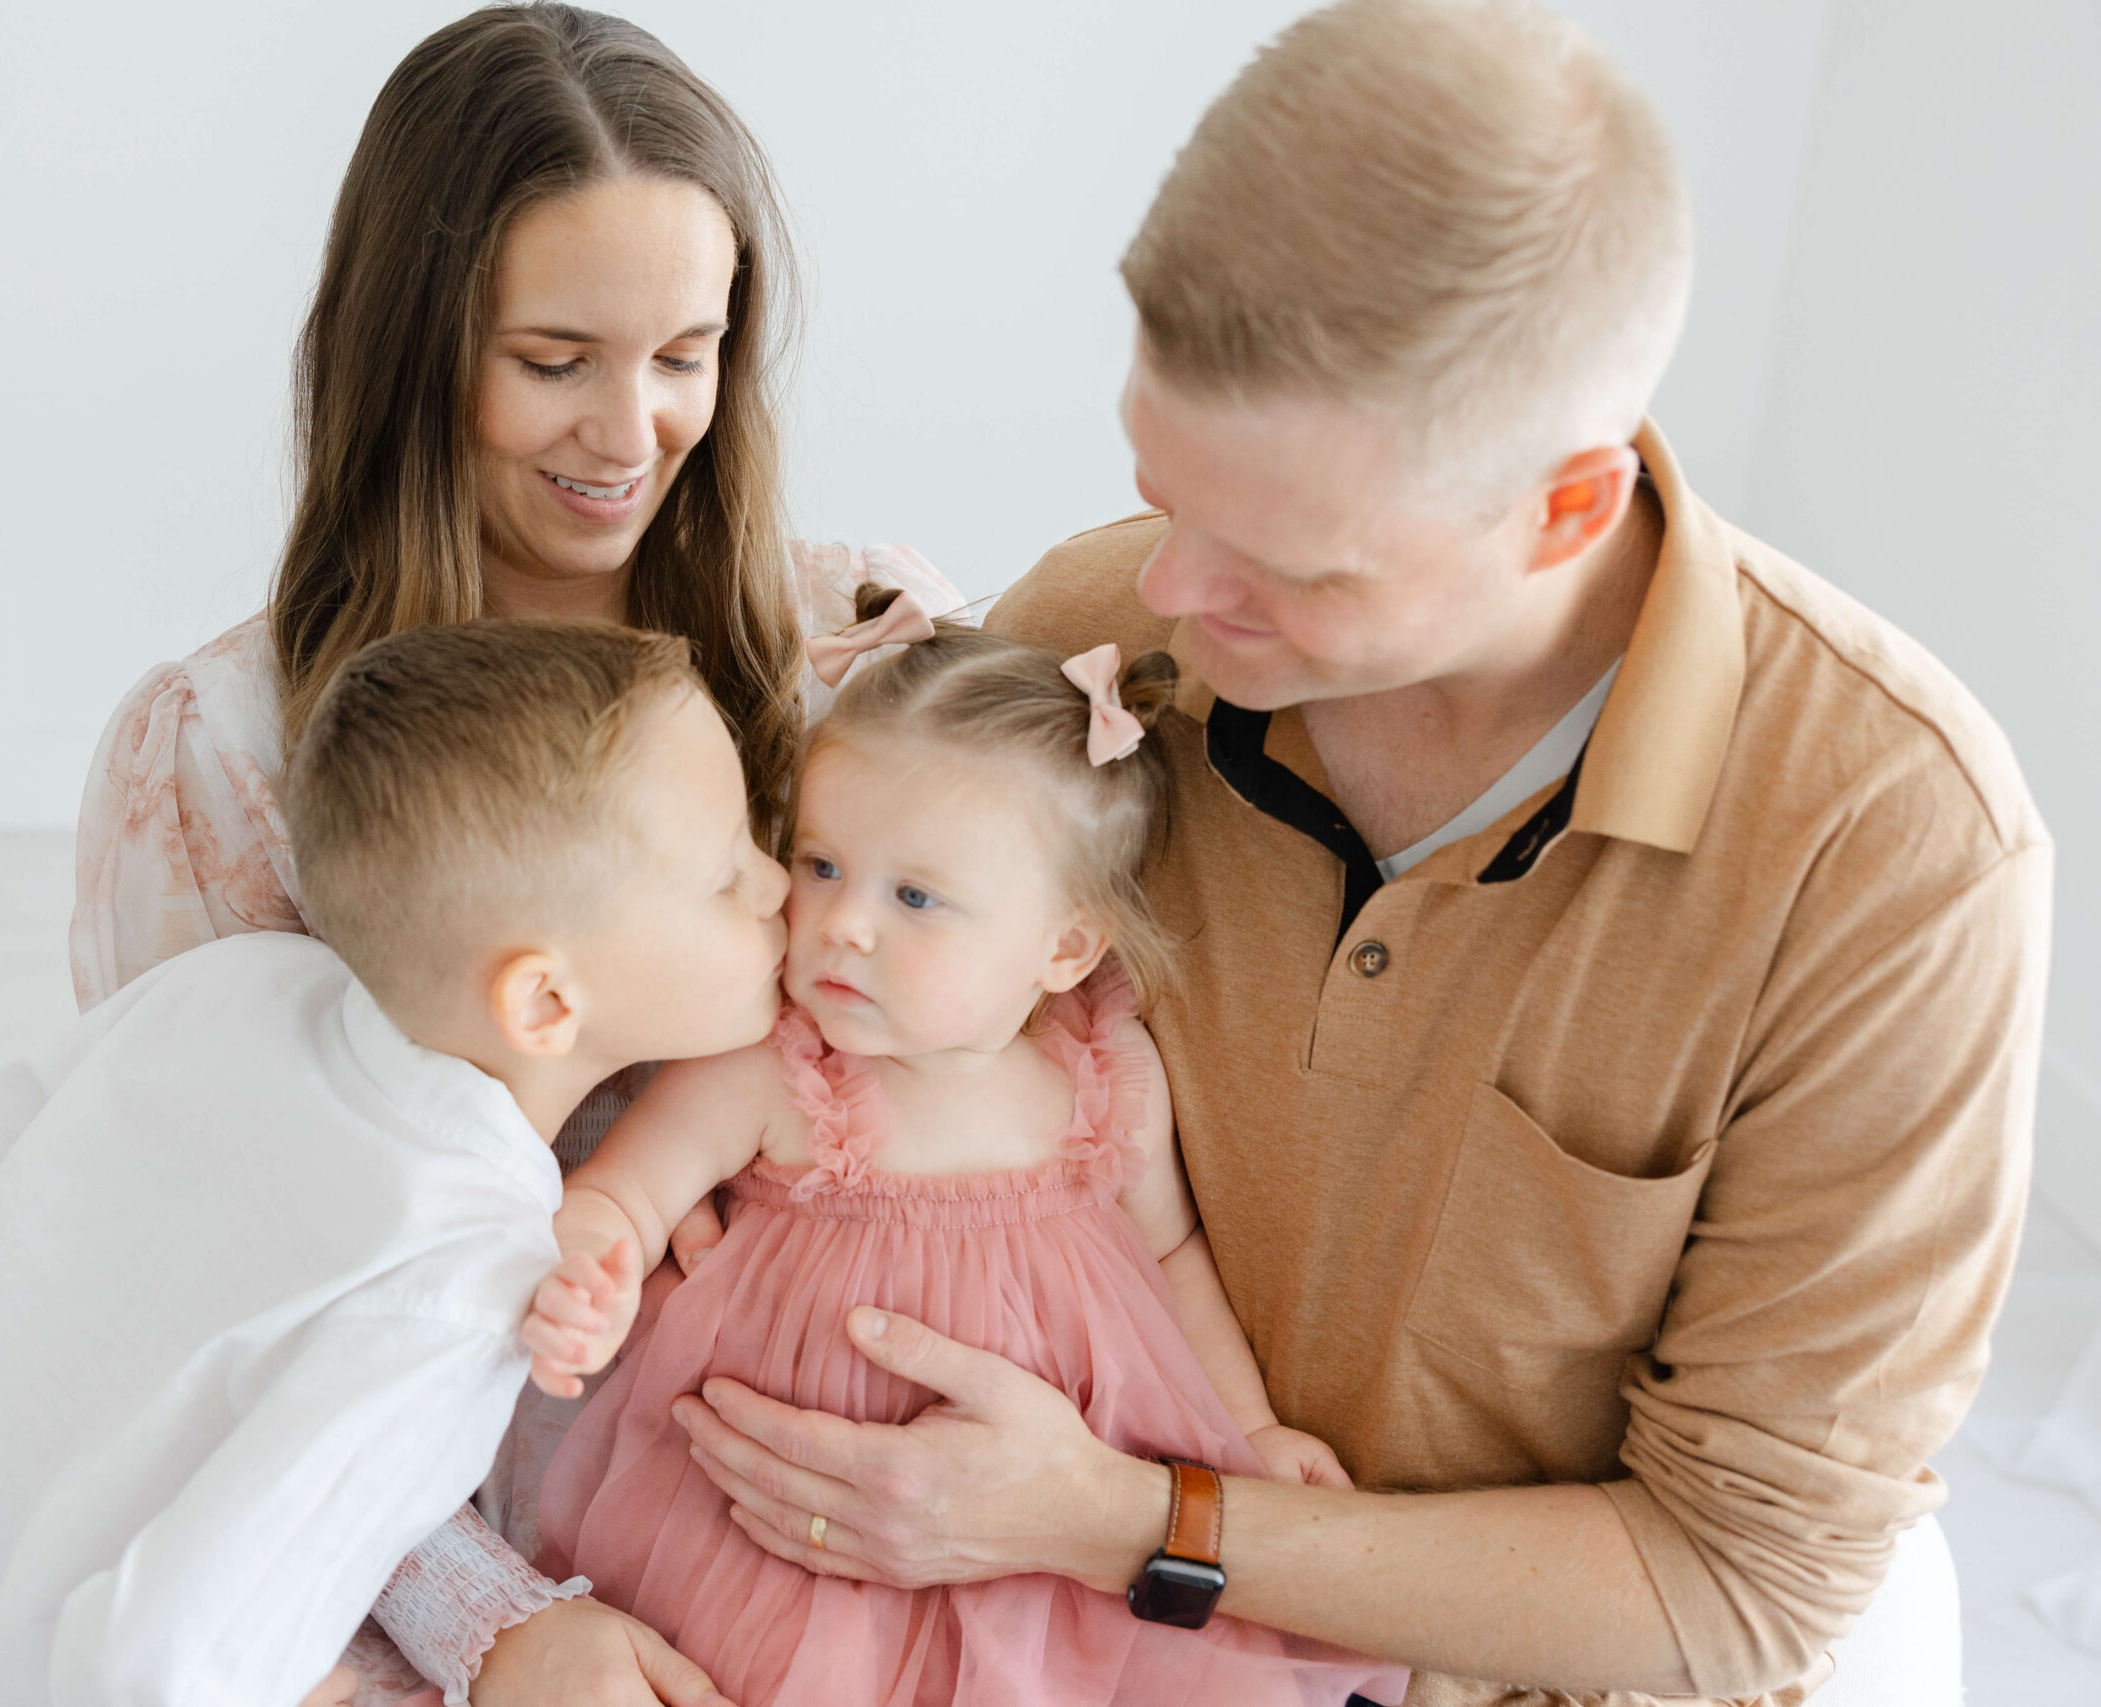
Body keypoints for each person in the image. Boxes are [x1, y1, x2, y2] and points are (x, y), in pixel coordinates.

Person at [666, 4, 2047, 1704]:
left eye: (1292, 566)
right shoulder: (1109, 646)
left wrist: (1128, 1519)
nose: (1171, 592)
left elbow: (1742, 1584)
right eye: (1161, 491)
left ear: (1564, 508)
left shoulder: (1891, 855)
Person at [0, 9, 947, 1702]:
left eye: (686, 354)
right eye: (555, 358)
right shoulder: (216, 754)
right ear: (417, 349)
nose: (630, 430)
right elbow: (141, 1258)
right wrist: (505, 1624)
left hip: (816, 1460)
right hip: (399, 1529)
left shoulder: (849, 654)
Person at [0, 621, 791, 1707]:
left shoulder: (235, 986)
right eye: (724, 874)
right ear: (545, 1001)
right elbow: (159, 1662)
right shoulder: (462, 1276)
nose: (776, 884)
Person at [517, 593, 1410, 1706]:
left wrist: (1254, 1427)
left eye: (917, 897)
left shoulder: (1099, 1081)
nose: (843, 924)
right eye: (822, 866)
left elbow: (1175, 1261)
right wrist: (590, 1267)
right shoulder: (772, 1068)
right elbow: (623, 1192)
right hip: (786, 1531)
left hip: (1046, 1539)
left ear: (1063, 946)